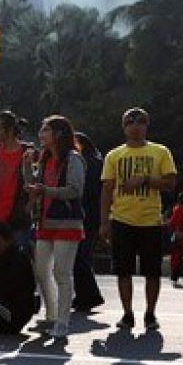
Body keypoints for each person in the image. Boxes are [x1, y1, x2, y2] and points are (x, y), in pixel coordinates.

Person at [99, 107, 177, 331]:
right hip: (122, 219)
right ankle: (127, 313)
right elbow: (106, 189)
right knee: (123, 270)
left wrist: (143, 180)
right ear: (123, 128)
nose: (135, 126)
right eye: (129, 122)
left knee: (152, 271)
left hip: (150, 219)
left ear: (147, 125)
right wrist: (104, 221)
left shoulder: (160, 152)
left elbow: (171, 183)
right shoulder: (114, 155)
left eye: (140, 122)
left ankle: (150, 313)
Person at [25, 115, 85, 338]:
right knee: (41, 271)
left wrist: (46, 190)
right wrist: (26, 166)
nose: (40, 134)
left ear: (58, 134)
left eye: (45, 130)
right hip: (45, 221)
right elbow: (33, 185)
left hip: (67, 222)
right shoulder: (45, 158)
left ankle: (62, 321)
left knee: (62, 272)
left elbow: (75, 190)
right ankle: (50, 316)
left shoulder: (73, 159)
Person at [0, 111, 33, 252]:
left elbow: (33, 181)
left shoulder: (27, 152)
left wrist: (30, 204)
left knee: (17, 259)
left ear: (9, 131)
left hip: (18, 217)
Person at [71, 132, 105, 312]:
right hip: (92, 214)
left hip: (87, 214)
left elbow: (86, 190)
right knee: (83, 256)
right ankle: (84, 295)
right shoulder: (95, 160)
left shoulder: (89, 163)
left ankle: (90, 294)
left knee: (79, 256)